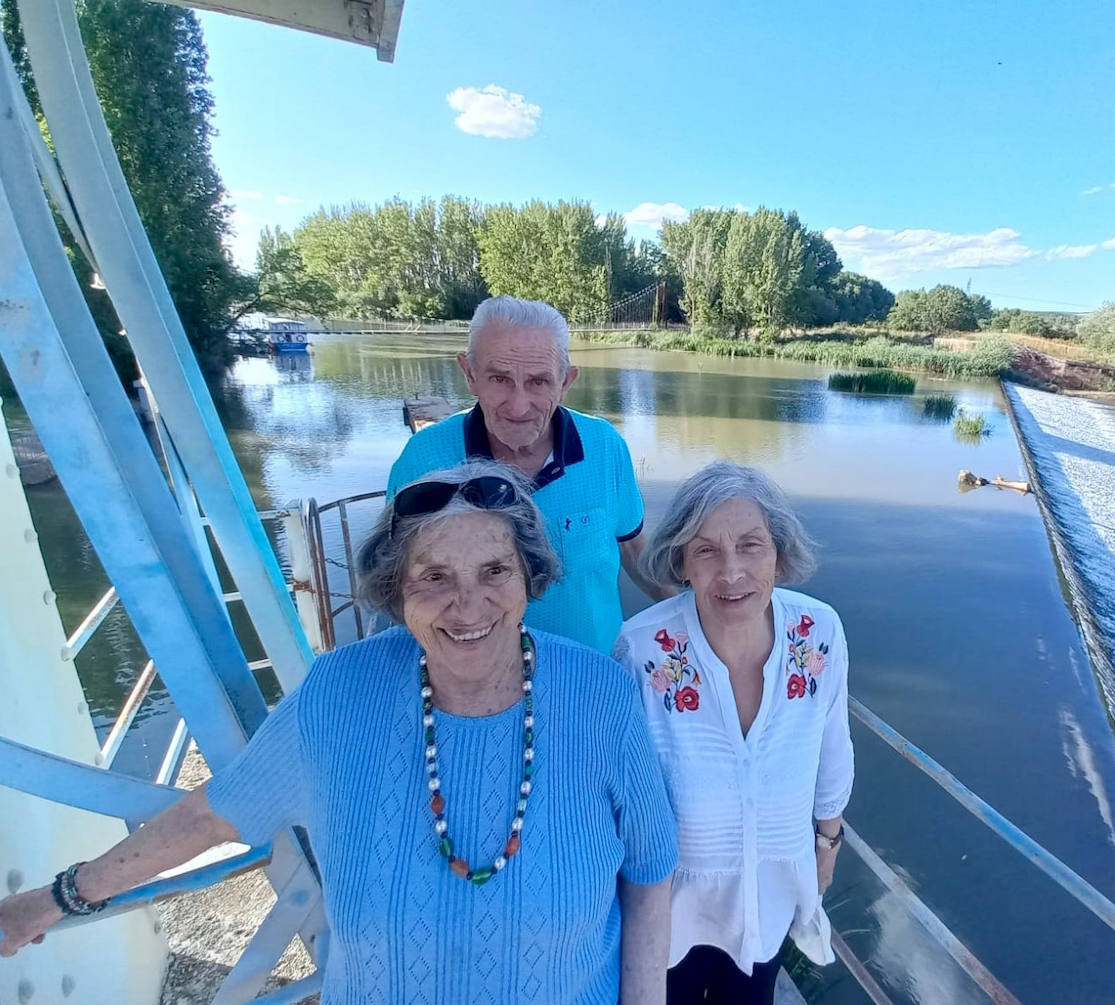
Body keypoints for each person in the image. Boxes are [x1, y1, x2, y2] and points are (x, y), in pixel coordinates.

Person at [0, 460, 678, 1003]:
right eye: (434, 576)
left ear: (530, 577)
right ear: (396, 590)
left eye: (494, 570)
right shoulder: (339, 695)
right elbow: (212, 814)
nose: (468, 603)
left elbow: (650, 871)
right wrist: (56, 898)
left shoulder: (601, 697)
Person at [613, 461, 854, 1004]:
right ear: (680, 562)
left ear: (779, 554)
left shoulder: (819, 633)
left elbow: (834, 746)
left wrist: (828, 840)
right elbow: (620, 786)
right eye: (705, 551)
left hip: (770, 895)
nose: (731, 572)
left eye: (751, 546)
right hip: (667, 905)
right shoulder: (644, 648)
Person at [388, 295, 666, 653]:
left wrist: (699, 617)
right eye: (499, 379)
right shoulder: (422, 460)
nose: (519, 406)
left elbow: (634, 549)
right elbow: (400, 583)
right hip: (475, 692)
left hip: (595, 683)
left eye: (538, 382)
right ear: (469, 374)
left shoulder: (605, 446)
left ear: (566, 382)